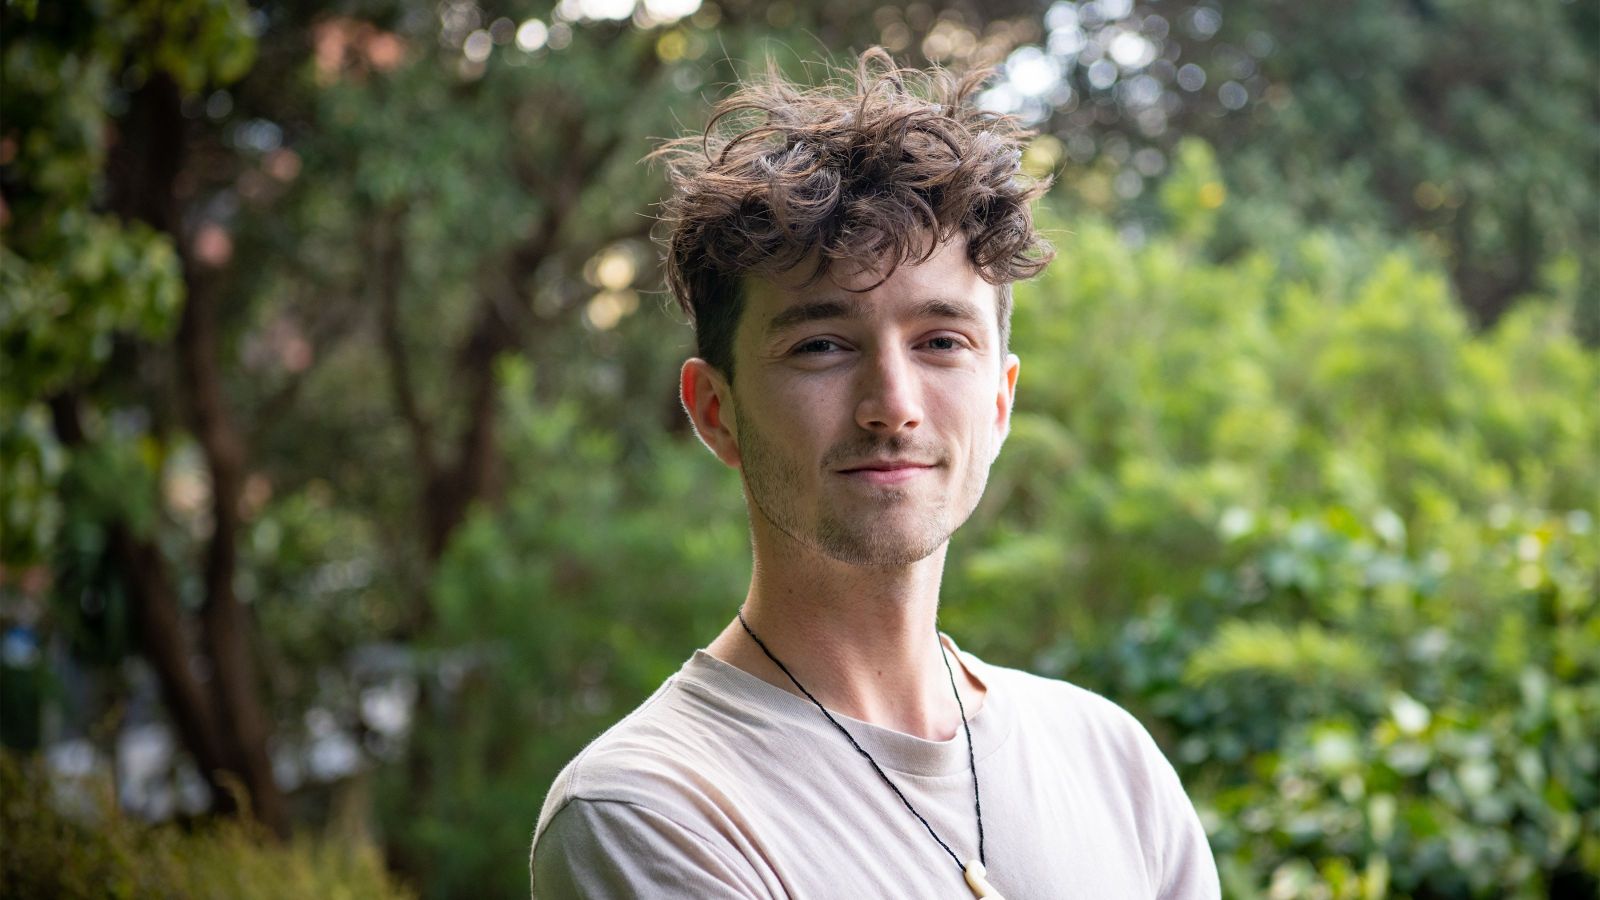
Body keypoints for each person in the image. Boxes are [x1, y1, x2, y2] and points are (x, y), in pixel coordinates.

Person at [529, 48, 1220, 899]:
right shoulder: (653, 810)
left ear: (1000, 402)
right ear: (716, 412)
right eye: (821, 345)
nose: (892, 405)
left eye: (941, 342)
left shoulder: (1111, 763)